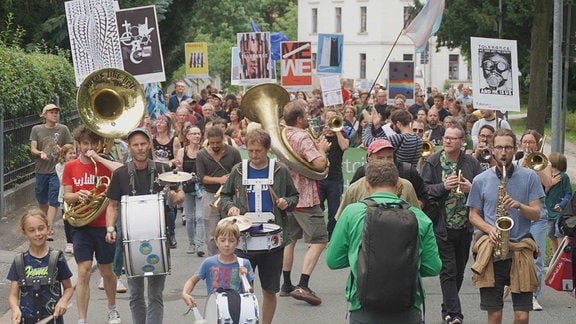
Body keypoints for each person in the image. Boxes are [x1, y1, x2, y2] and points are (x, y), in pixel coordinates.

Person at [326, 160, 441, 324]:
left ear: (366, 185)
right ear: (398, 184)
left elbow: (333, 260)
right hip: (407, 307)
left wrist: (360, 258)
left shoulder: (352, 213)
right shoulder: (418, 216)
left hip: (363, 307)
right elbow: (433, 267)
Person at [220, 128, 299, 324]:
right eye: (250, 150)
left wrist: (285, 203)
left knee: (270, 290)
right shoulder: (238, 170)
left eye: (258, 151)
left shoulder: (280, 171)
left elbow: (294, 197)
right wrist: (230, 208)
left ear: (267, 150)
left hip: (273, 241)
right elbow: (225, 196)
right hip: (243, 240)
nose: (254, 155)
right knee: (245, 287)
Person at [105, 127, 183, 324]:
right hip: (130, 242)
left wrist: (175, 197)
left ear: (149, 145)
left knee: (156, 295)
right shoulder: (121, 174)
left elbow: (179, 195)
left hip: (158, 239)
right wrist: (110, 228)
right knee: (136, 294)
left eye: (143, 144)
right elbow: (112, 206)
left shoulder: (162, 169)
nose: (139, 148)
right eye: (135, 145)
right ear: (129, 147)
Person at [467, 128, 544, 324]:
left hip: (520, 251)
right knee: (495, 315)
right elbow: (473, 215)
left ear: (515, 149)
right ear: (492, 150)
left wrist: (519, 205)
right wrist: (489, 228)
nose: (503, 152)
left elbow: (537, 214)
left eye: (508, 147)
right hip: (492, 251)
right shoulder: (480, 180)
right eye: (499, 147)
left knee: (522, 315)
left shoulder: (529, 176)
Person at [62, 124, 124, 324]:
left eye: (93, 144)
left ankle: (112, 308)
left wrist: (98, 158)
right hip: (81, 226)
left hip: (103, 224)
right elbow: (67, 195)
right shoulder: (71, 166)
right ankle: (82, 318)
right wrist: (77, 195)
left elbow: (122, 171)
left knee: (107, 272)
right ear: (78, 144)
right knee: (83, 270)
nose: (89, 147)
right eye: (85, 144)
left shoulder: (104, 163)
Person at [421, 124, 482, 324]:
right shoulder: (433, 161)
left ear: (462, 141)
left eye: (453, 138)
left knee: (458, 271)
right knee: (448, 269)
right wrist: (443, 186)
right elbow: (424, 190)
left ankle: (447, 309)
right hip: (442, 226)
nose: (447, 141)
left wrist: (470, 188)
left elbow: (483, 190)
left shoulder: (471, 163)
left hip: (465, 226)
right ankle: (455, 315)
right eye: (446, 137)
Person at [279, 99, 331, 305]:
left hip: (287, 196)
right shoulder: (302, 137)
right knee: (320, 240)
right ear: (299, 119)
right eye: (306, 115)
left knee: (290, 241)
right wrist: (322, 150)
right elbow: (318, 164)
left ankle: (286, 284)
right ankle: (303, 284)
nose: (309, 117)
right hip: (305, 198)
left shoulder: (282, 134)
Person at [7, 209, 73, 324]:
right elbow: (13, 295)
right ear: (24, 232)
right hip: (27, 320)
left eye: (41, 228)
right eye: (31, 230)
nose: (37, 233)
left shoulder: (57, 258)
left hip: (53, 320)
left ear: (48, 228)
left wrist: (63, 301)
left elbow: (68, 288)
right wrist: (15, 309)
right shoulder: (19, 261)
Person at [515, 130, 554, 311]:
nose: (528, 145)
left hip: (538, 214)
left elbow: (548, 184)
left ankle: (533, 295)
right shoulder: (515, 162)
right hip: (518, 213)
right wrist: (522, 166)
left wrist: (535, 168)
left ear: (537, 144)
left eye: (531, 142)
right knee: (514, 254)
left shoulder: (544, 162)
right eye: (525, 141)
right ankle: (514, 285)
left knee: (536, 257)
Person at [335, 139, 421, 220]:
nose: (385, 162)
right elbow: (343, 220)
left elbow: (418, 218)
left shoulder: (406, 185)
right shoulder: (354, 188)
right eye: (380, 158)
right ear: (369, 159)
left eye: (389, 157)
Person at [181, 220, 255, 306]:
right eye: (222, 240)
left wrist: (244, 279)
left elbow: (250, 292)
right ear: (216, 241)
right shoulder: (208, 263)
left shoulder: (244, 263)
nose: (227, 244)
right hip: (215, 310)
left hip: (237, 310)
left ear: (238, 242)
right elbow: (192, 281)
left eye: (231, 241)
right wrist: (185, 293)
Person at [196, 126, 242, 256]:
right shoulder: (201, 154)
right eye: (212, 143)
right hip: (210, 195)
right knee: (212, 233)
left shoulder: (233, 152)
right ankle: (214, 261)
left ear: (223, 139)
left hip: (229, 196)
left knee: (232, 230)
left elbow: (240, 172)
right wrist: (219, 180)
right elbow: (201, 177)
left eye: (218, 142)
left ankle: (231, 259)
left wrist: (231, 180)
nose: (215, 145)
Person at [30, 104, 73, 241]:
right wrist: (40, 153)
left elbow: (70, 147)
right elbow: (33, 148)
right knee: (42, 199)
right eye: (52, 112)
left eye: (56, 112)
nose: (55, 115)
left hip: (57, 170)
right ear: (45, 115)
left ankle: (49, 227)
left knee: (54, 199)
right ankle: (46, 220)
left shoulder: (63, 129)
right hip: (41, 169)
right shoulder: (36, 129)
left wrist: (63, 151)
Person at [152, 114, 182, 248]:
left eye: (161, 122)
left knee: (170, 203)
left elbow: (177, 158)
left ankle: (171, 232)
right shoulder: (152, 140)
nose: (158, 124)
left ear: (167, 125)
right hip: (156, 175)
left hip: (169, 175)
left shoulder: (173, 140)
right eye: (157, 122)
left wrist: (169, 163)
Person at [175, 125, 205, 256]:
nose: (196, 136)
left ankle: (200, 245)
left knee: (200, 217)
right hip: (187, 186)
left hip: (200, 186)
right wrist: (179, 168)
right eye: (193, 134)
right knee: (190, 217)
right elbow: (179, 172)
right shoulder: (182, 151)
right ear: (187, 136)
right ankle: (191, 243)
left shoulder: (204, 151)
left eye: (198, 134)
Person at [319, 109, 349, 239]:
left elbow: (344, 147)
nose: (330, 120)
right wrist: (322, 134)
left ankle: (331, 236)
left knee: (334, 210)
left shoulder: (342, 135)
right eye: (328, 117)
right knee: (318, 209)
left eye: (333, 118)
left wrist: (337, 131)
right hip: (320, 178)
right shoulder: (320, 135)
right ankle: (318, 236)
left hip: (335, 179)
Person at [545, 152, 572, 253]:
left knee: (559, 233)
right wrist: (550, 183)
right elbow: (544, 193)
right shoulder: (547, 177)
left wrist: (562, 205)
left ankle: (560, 255)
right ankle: (554, 255)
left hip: (559, 212)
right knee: (551, 234)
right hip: (549, 211)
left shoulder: (563, 177)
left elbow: (568, 193)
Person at [55, 143, 76, 254]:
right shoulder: (59, 166)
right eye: (70, 153)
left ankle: (76, 241)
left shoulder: (77, 164)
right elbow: (63, 180)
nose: (72, 155)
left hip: (75, 195)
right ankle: (69, 242)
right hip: (64, 195)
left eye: (74, 153)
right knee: (66, 220)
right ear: (64, 155)